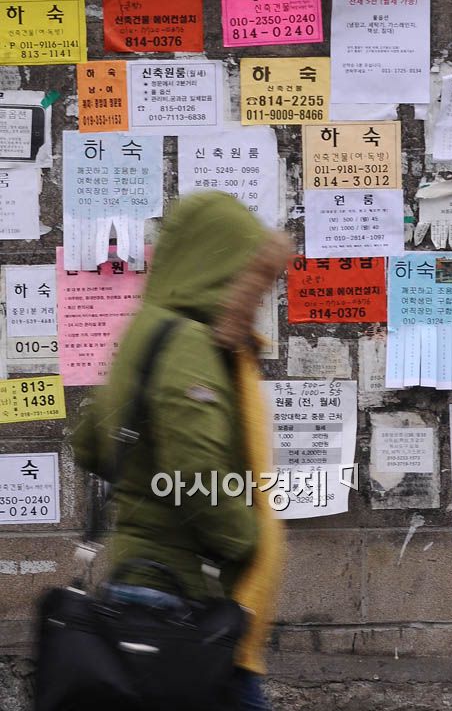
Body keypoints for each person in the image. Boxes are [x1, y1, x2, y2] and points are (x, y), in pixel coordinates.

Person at [71, 191, 292, 710]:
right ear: (218, 267)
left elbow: (90, 444)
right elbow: (195, 471)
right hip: (177, 596)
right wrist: (247, 540)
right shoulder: (190, 345)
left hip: (136, 582)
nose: (256, 298)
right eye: (250, 280)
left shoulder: (143, 332)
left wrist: (140, 484)